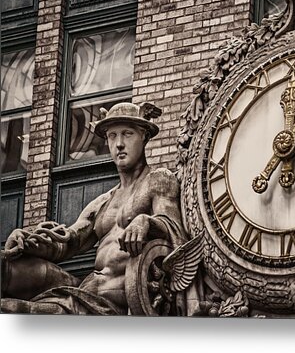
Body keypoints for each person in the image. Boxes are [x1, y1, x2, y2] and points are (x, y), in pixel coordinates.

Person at [1, 102, 186, 315]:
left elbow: (176, 234)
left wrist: (147, 222)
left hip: (112, 306)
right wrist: (29, 242)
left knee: (12, 309)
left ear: (144, 136)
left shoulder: (158, 180)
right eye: (112, 136)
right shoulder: (102, 203)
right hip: (85, 292)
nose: (119, 144)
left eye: (127, 134)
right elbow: (69, 241)